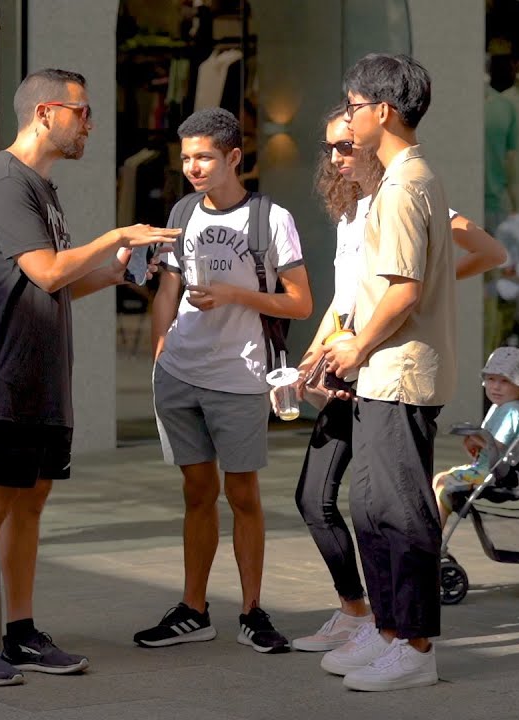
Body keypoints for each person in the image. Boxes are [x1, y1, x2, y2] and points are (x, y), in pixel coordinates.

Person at [0, 69, 179, 686]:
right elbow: (47, 272)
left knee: (31, 502)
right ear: (46, 113)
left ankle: (20, 632)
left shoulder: (41, 188)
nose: (89, 125)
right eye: (82, 112)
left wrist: (122, 270)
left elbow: (57, 283)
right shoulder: (4, 181)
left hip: (40, 379)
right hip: (0, 377)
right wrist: (116, 235)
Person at [290, 107, 505, 653]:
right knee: (339, 500)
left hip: (384, 364)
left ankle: (401, 635)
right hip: (353, 363)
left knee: (392, 505)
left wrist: (428, 286)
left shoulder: (403, 193)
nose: (336, 157)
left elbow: (488, 252)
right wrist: (313, 357)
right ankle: (371, 620)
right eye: (329, 148)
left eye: (345, 144)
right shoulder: (353, 212)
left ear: (372, 134)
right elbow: (345, 300)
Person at [136, 107, 312, 654]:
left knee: (242, 494)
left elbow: (300, 303)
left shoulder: (270, 218)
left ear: (234, 157)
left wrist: (234, 294)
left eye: (205, 157)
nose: (193, 167)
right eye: (187, 157)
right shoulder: (182, 211)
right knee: (196, 493)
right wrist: (160, 348)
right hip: (180, 373)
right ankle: (194, 609)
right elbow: (168, 288)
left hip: (240, 374)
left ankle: (253, 610)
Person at [320, 53, 460, 692]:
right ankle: (388, 632)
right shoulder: (402, 179)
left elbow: (403, 290)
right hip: (384, 371)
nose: (348, 119)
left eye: (354, 107)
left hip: (399, 371)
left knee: (401, 511)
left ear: (383, 111)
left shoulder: (405, 184)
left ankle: (416, 645)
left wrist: (356, 346)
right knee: (372, 505)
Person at [432, 347, 519, 525]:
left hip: (496, 474)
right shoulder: (498, 407)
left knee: (443, 484)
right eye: (491, 379)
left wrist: (475, 437)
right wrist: (473, 442)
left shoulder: (513, 412)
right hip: (485, 468)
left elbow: (497, 446)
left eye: (505, 381)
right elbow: (487, 445)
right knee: (439, 479)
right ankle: (434, 526)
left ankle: (435, 532)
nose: (496, 386)